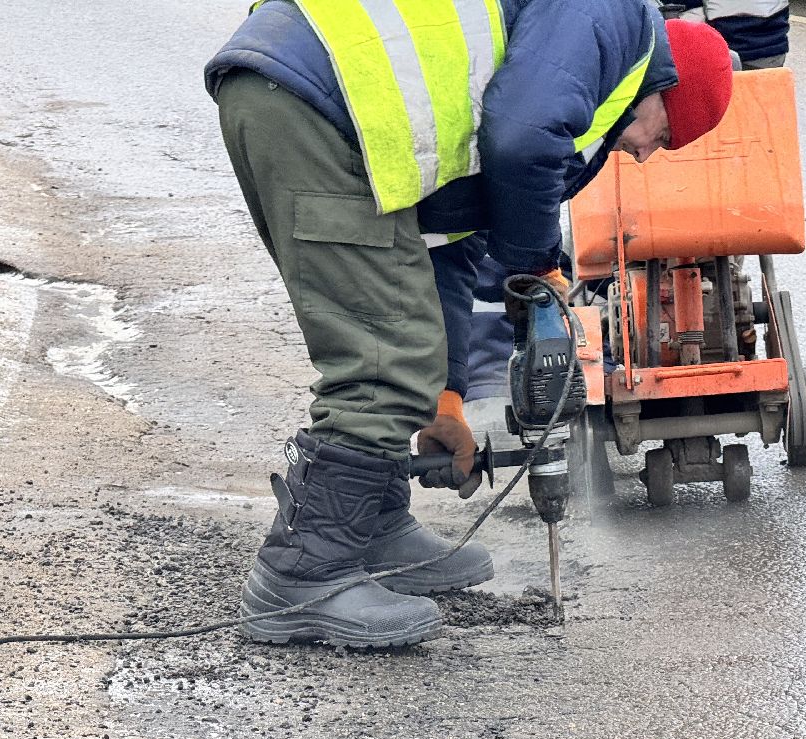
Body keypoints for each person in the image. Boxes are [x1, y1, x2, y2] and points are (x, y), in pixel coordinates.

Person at [205, 2, 733, 648]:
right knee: (384, 350)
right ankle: (303, 571)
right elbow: (522, 136)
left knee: (405, 334)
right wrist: (540, 270)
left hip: (305, 97)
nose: (648, 155)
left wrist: (445, 399)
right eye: (666, 136)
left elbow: (447, 246)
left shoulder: (576, 68)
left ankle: (370, 526)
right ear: (666, 88)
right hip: (314, 101)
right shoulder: (611, 17)